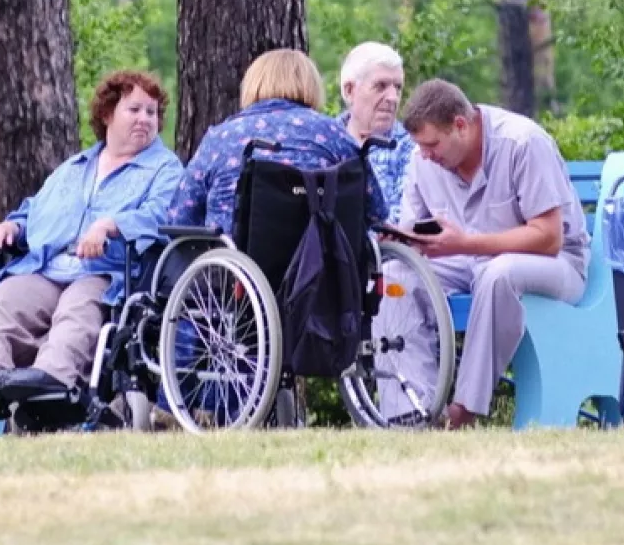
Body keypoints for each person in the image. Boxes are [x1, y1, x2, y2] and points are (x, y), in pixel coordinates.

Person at [379, 79, 589, 429]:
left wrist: (465, 244)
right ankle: (413, 413)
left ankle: (464, 411)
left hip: (557, 265)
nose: (426, 155)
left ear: (460, 125)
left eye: (433, 144)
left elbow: (549, 238)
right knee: (393, 279)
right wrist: (404, 239)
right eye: (421, 146)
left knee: (498, 273)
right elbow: (415, 231)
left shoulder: (522, 142)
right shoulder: (423, 160)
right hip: (465, 263)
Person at [0, 70, 182, 396]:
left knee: (77, 308)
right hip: (48, 267)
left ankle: (51, 381)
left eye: (151, 112)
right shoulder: (75, 167)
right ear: (107, 114)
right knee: (5, 299)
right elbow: (37, 208)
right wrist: (13, 226)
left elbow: (161, 215)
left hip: (107, 271)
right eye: (134, 110)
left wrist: (111, 225)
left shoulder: (165, 168)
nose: (145, 119)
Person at [168, 48, 385, 234]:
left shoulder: (221, 138)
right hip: (321, 263)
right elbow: (375, 211)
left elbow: (180, 217)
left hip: (235, 268)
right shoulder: (335, 134)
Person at [337, 42, 414, 223]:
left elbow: (401, 223)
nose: (393, 98)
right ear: (349, 91)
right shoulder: (324, 140)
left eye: (398, 87)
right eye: (381, 86)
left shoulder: (411, 148)